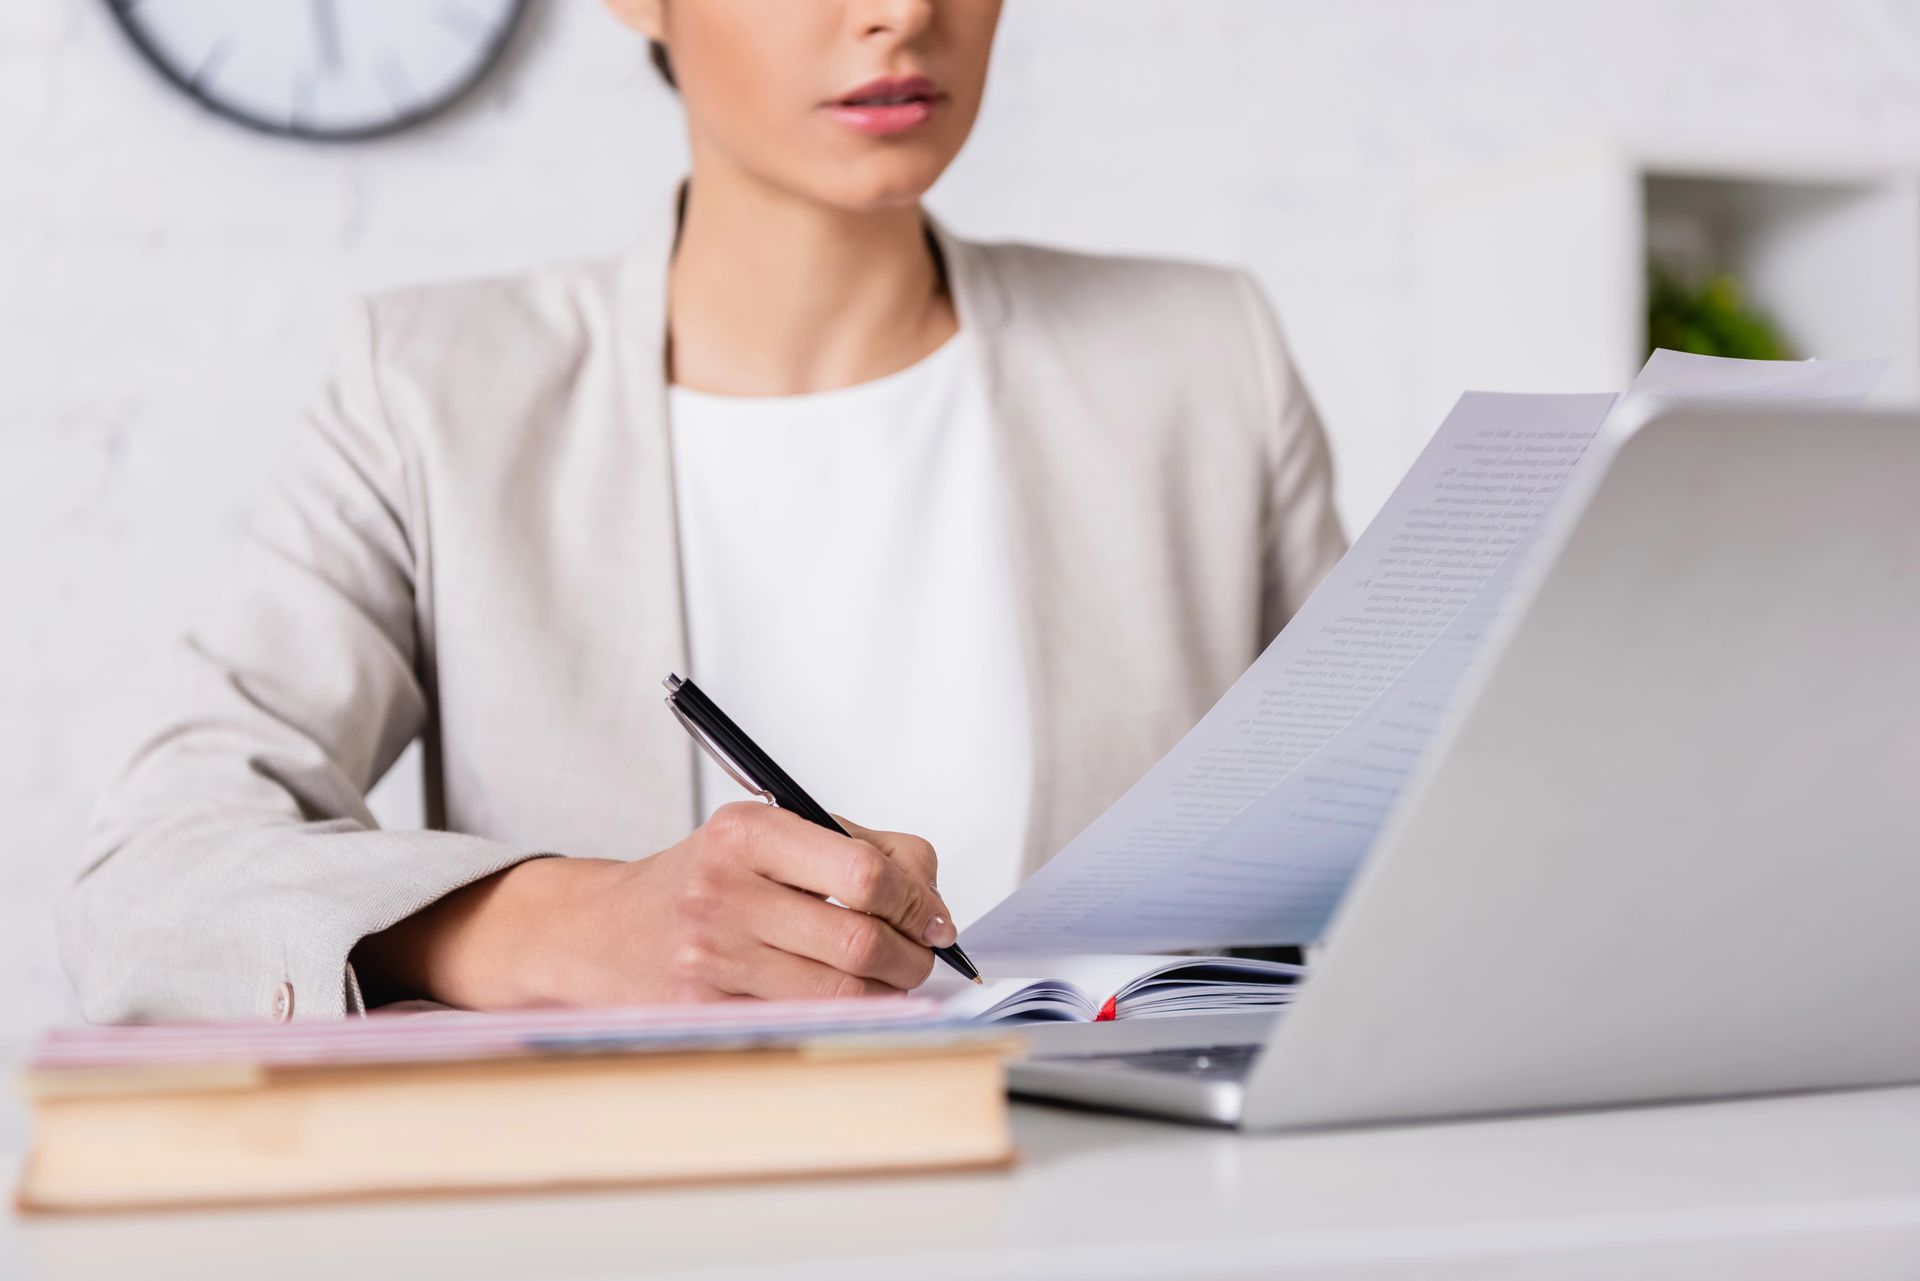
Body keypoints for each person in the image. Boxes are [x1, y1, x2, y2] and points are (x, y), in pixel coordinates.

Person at [60, 0, 1346, 1023]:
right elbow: (145, 888)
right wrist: (564, 924)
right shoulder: (435, 395)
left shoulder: (1201, 358)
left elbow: (1391, 844)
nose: (900, 13)